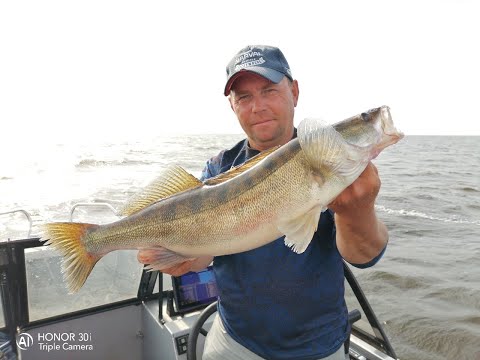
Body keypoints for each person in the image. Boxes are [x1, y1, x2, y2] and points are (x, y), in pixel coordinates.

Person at [141, 45, 389, 360]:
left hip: (319, 347)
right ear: (232, 106)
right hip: (234, 340)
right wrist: (179, 258)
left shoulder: (322, 158)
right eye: (244, 97)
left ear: (294, 92)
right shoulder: (219, 167)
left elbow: (363, 256)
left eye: (269, 90)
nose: (258, 107)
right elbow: (203, 257)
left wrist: (357, 211)